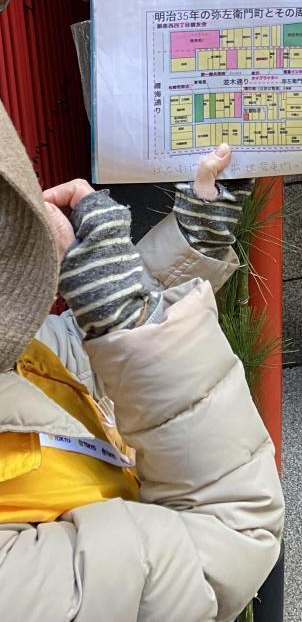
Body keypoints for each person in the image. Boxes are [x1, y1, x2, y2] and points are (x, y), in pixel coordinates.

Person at [0, 101, 284, 621]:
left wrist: (193, 233)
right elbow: (225, 540)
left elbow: (77, 354)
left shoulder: (12, 363)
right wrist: (127, 315)